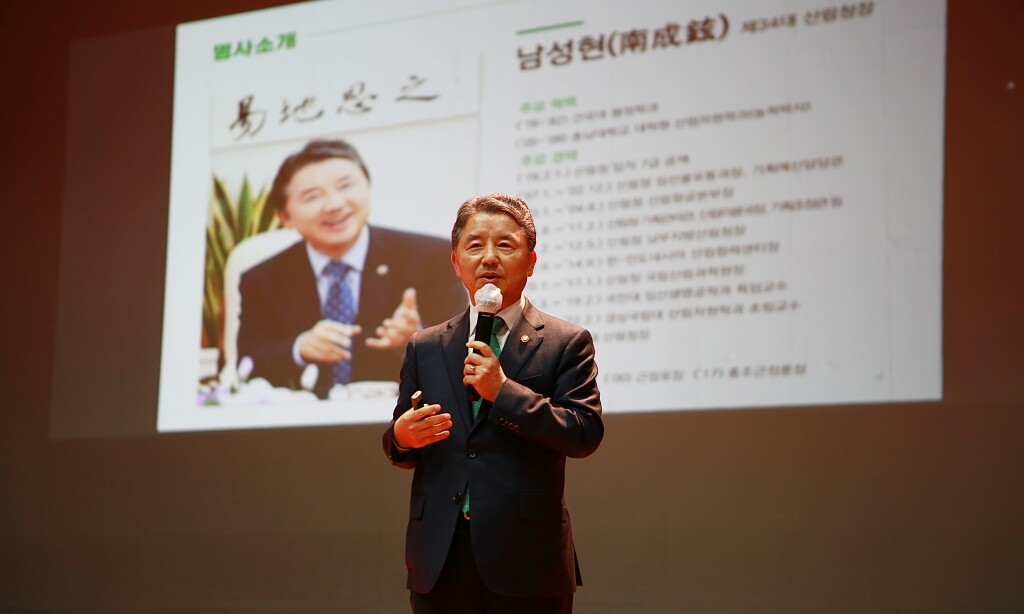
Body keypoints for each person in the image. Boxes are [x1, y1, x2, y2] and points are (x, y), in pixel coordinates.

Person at [382, 193, 604, 613]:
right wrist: (402, 437)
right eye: (475, 245)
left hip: (527, 559)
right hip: (440, 557)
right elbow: (400, 442)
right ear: (456, 262)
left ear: (531, 262)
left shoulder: (565, 342)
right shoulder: (425, 346)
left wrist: (503, 391)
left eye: (505, 245)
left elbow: (584, 433)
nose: (488, 257)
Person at [237, 139, 467, 398]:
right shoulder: (261, 280)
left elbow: (465, 358)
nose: (334, 204)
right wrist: (298, 349)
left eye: (345, 186)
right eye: (312, 196)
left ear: (367, 188)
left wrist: (418, 341)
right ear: (284, 216)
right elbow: (243, 363)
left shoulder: (431, 258)